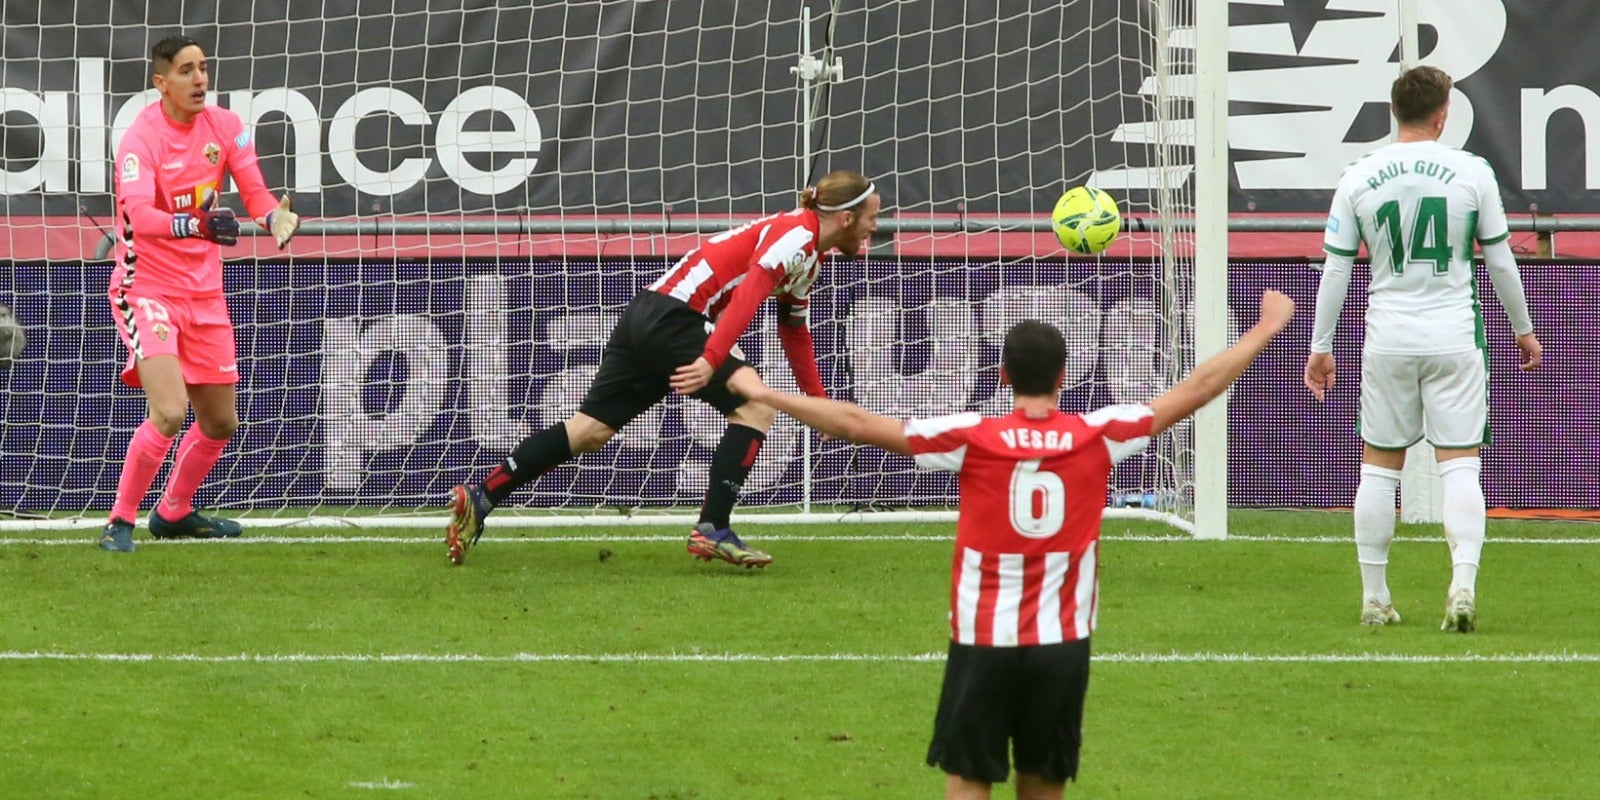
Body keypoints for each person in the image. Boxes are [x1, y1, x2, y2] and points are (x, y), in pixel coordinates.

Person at [729, 292, 1296, 799]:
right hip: (1062, 643)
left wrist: (765, 392)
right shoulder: (1098, 436)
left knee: (968, 779)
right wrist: (1266, 326)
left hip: (984, 639)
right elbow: (1194, 391)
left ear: (1001, 374)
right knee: (1043, 785)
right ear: (1064, 375)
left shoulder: (973, 439)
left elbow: (854, 422)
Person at [445, 170, 881, 567]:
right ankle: (713, 528)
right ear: (845, 218)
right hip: (676, 317)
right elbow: (750, 293)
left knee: (589, 430)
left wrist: (819, 402)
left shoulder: (809, 254)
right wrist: (711, 360)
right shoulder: (797, 234)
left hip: (648, 312)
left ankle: (481, 496)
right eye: (870, 219)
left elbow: (793, 329)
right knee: (755, 407)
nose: (873, 229)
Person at [1305, 65, 1541, 632]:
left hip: (1387, 339)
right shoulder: (1472, 172)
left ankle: (1375, 597)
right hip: (1454, 336)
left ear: (1394, 112)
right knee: (1459, 465)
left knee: (1380, 468)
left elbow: (1336, 270)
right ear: (1443, 117)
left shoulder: (1359, 175)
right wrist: (1523, 328)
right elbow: (1500, 260)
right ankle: (1461, 584)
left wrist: (1321, 345)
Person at [99, 35, 300, 552]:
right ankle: (119, 522)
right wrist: (194, 224)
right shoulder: (141, 140)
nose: (200, 80)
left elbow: (253, 191)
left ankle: (174, 512)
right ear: (160, 82)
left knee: (220, 421)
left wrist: (274, 214)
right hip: (147, 288)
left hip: (205, 293)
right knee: (168, 411)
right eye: (187, 71)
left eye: (204, 69)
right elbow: (141, 217)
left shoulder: (224, 127)